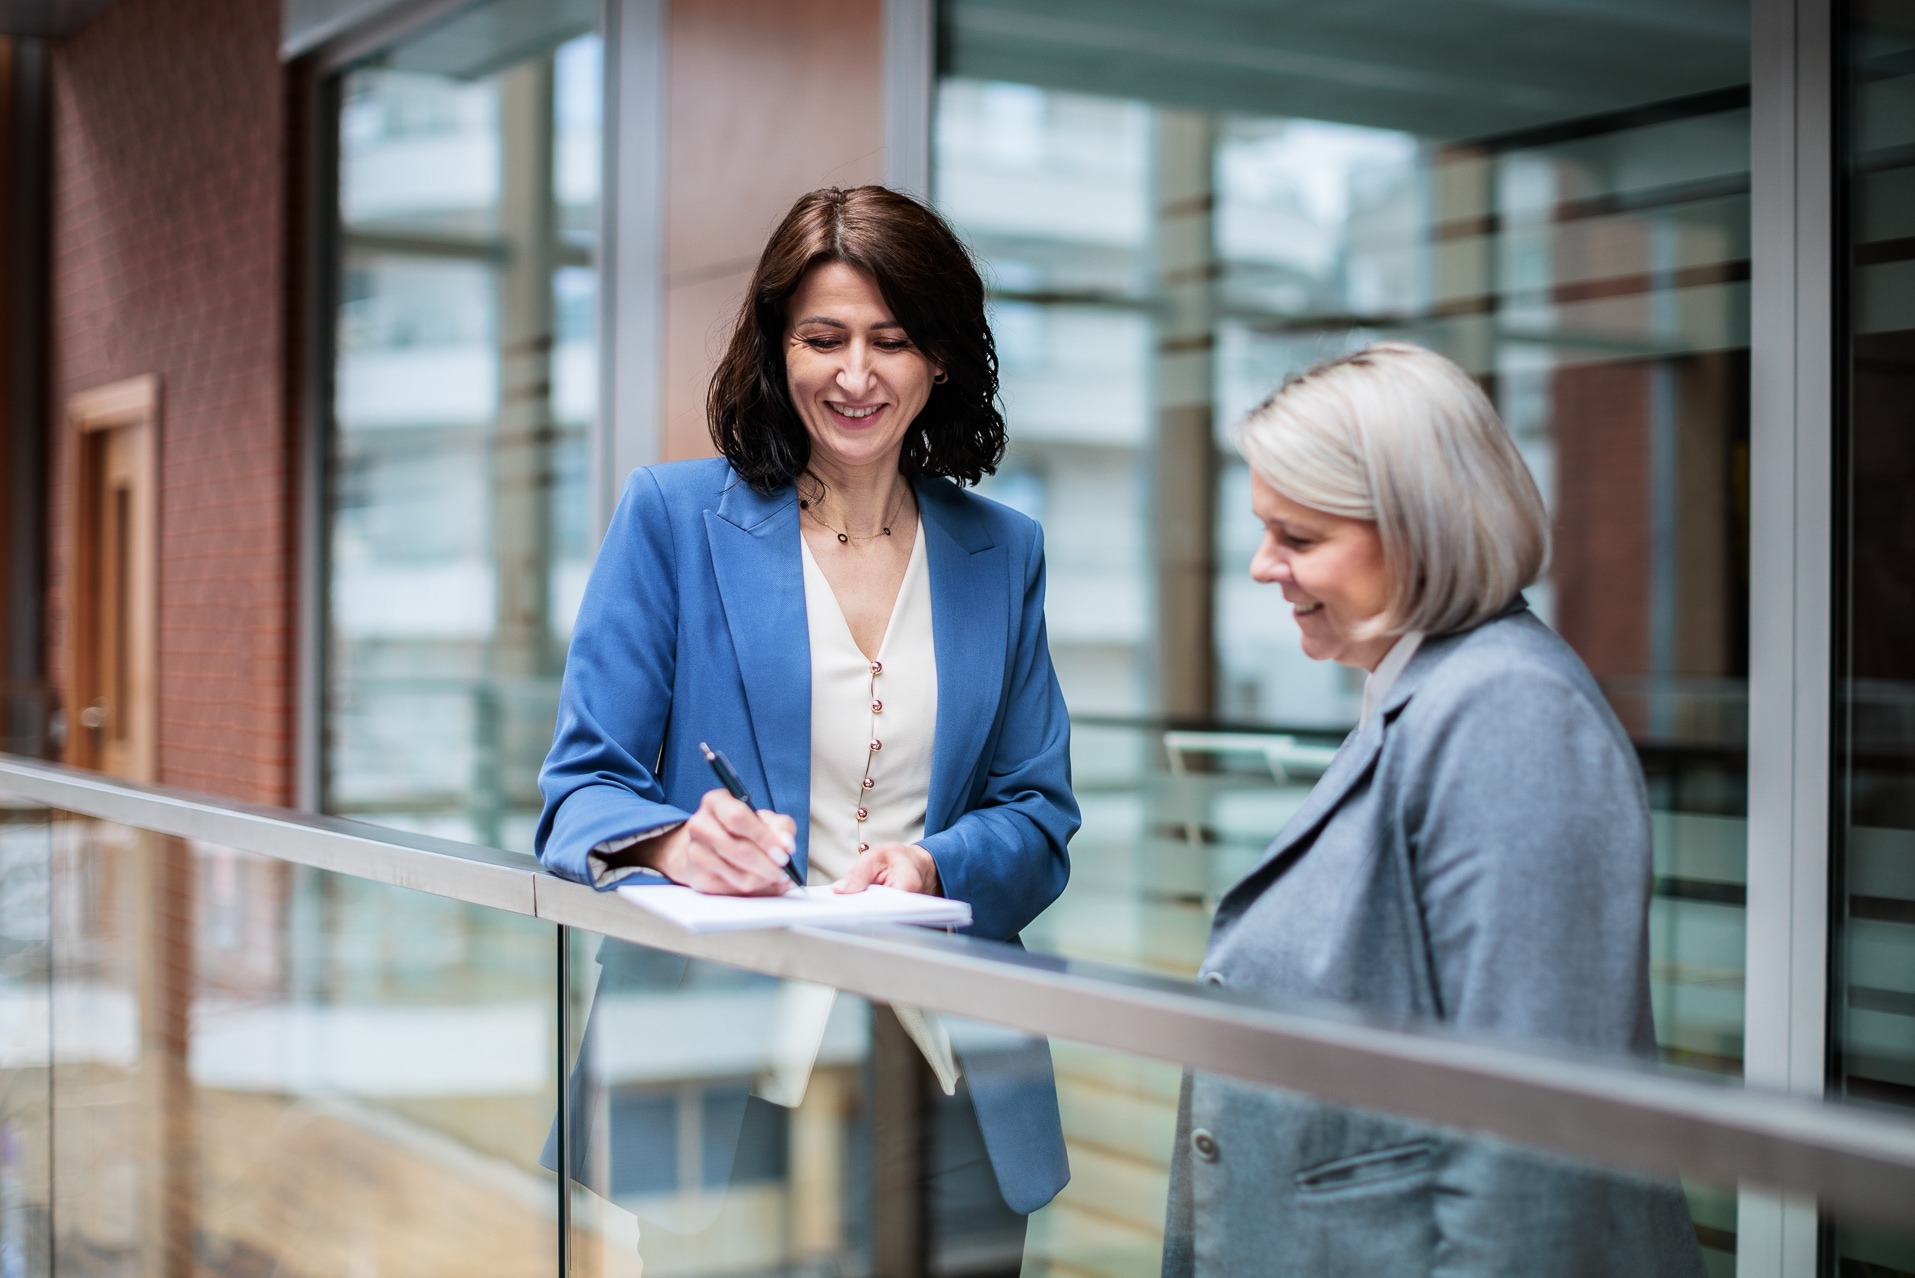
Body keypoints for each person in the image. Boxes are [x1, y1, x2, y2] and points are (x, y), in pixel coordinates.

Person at [536, 185, 1078, 1247]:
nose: (857, 374)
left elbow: (1037, 813)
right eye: (822, 338)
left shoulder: (1002, 551)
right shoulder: (671, 519)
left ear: (942, 359)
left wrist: (934, 867)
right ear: (777, 351)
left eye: (892, 340)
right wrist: (675, 841)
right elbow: (576, 793)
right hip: (720, 1076)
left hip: (953, 1078)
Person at [1162, 343, 1705, 1277]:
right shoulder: (1425, 690)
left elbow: (1531, 1141)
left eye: (1297, 537)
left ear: (1417, 533)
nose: (1262, 567)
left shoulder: (1510, 713)